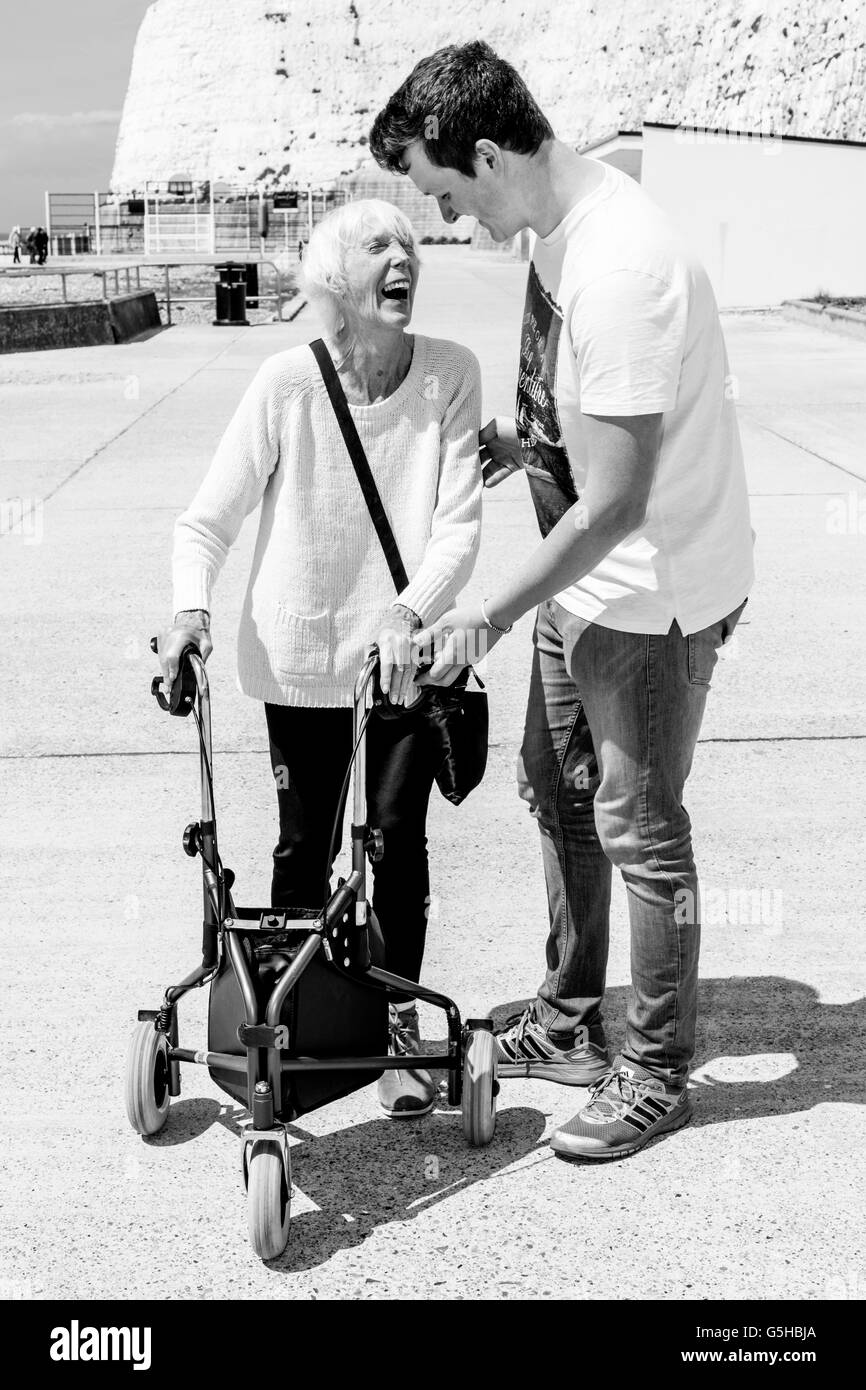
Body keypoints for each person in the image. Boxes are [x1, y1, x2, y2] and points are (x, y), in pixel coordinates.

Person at [371, 42, 754, 1159]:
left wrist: (481, 614)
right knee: (553, 785)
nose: (445, 223)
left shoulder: (616, 270)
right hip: (583, 585)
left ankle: (655, 1067)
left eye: (443, 194)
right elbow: (589, 435)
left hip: (649, 597)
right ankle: (573, 1018)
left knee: (640, 826)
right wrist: (523, 438)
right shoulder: (554, 234)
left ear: (487, 153)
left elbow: (620, 500)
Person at [158, 199, 482, 1119]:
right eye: (378, 245)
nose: (402, 258)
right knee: (302, 851)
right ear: (336, 275)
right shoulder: (285, 382)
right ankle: (290, 1025)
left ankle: (395, 1035)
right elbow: (207, 519)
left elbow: (457, 526)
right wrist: (190, 607)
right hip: (298, 657)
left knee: (395, 846)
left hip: (403, 663)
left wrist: (409, 613)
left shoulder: (452, 374)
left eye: (411, 244)